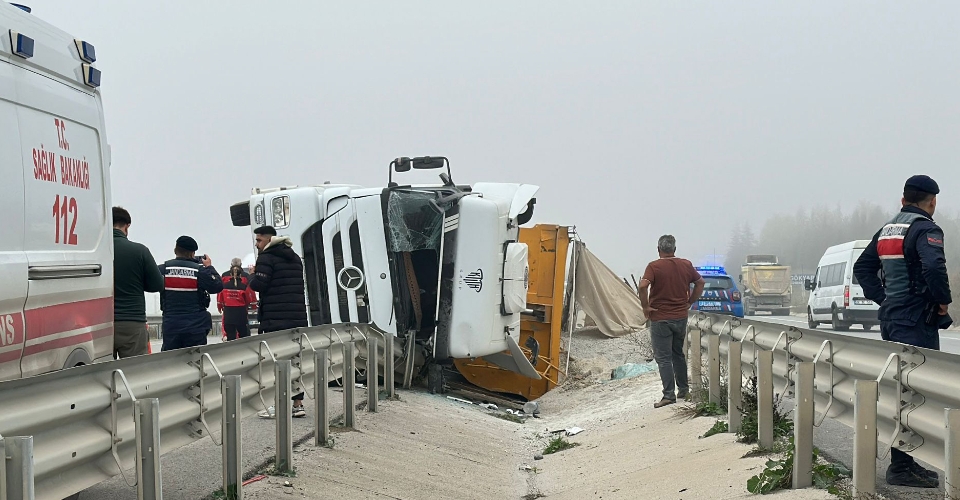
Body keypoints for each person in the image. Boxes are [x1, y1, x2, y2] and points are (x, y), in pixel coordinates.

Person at [854, 174, 952, 489]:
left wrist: (886, 299)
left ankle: (905, 462)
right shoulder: (925, 228)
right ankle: (901, 467)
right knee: (915, 392)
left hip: (893, 319)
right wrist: (942, 302)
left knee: (901, 390)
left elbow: (863, 268)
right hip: (917, 320)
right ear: (932, 202)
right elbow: (934, 268)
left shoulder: (887, 229)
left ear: (903, 199)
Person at [638, 235, 705, 408]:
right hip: (680, 317)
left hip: (660, 318)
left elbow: (643, 286)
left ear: (658, 249)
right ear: (674, 249)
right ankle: (683, 389)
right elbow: (700, 282)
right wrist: (690, 301)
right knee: (678, 354)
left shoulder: (654, 266)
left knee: (664, 358)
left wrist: (646, 307)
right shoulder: (686, 265)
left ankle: (668, 394)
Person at [248, 226, 309, 418]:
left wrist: (252, 274)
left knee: (274, 363)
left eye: (259, 240)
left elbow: (259, 284)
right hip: (297, 317)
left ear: (268, 240)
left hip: (275, 318)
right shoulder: (295, 257)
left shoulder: (266, 257)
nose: (257, 244)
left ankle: (277, 405)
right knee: (295, 361)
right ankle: (298, 404)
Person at [112, 207, 164, 358]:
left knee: (102, 375)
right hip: (132, 322)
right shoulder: (140, 251)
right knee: (134, 374)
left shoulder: (96, 251)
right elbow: (157, 285)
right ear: (127, 226)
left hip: (101, 324)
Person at [158, 236, 223, 351]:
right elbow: (217, 286)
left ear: (175, 250)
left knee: (170, 363)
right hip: (195, 327)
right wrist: (209, 267)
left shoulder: (163, 269)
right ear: (193, 254)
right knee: (195, 362)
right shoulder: (199, 271)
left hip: (171, 326)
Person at [218, 258, 257, 340]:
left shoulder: (224, 276)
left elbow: (220, 293)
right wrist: (253, 304)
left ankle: (226, 338)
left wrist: (220, 305)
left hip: (228, 310)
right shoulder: (246, 277)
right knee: (244, 334)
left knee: (230, 334)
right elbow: (250, 292)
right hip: (241, 310)